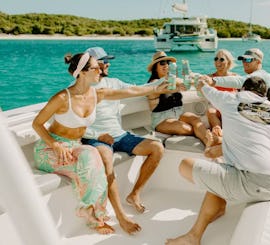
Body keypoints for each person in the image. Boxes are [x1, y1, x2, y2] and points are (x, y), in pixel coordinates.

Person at [33, 52, 168, 234]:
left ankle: (90, 210)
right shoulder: (63, 98)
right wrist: (55, 144)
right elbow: (37, 124)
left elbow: (131, 91)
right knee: (93, 164)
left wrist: (157, 88)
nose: (101, 69)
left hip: (74, 146)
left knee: (92, 157)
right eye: (96, 67)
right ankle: (96, 218)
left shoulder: (97, 94)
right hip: (50, 149)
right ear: (82, 72)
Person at [166, 76, 270, 245]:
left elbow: (203, 87)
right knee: (220, 168)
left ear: (242, 90)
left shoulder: (230, 99)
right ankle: (219, 207)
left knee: (185, 165)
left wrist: (201, 80)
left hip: (254, 183)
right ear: (263, 95)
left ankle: (193, 237)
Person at [81, 47, 166, 233]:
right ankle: (121, 216)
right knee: (106, 160)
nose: (108, 63)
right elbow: (76, 122)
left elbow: (135, 89)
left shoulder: (113, 82)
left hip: (120, 135)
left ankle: (134, 194)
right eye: (103, 61)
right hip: (96, 139)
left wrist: (164, 84)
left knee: (156, 148)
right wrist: (97, 136)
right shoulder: (81, 89)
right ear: (92, 66)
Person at [147, 51, 215, 146]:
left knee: (196, 120)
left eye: (168, 63)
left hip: (179, 113)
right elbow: (167, 84)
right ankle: (207, 139)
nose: (166, 65)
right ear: (155, 67)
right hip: (161, 120)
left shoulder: (173, 79)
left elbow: (181, 81)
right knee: (187, 129)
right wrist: (185, 83)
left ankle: (209, 143)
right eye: (162, 63)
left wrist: (197, 78)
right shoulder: (154, 83)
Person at [205, 49, 238, 158]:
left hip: (230, 111)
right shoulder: (209, 78)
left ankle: (218, 137)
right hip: (217, 112)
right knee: (210, 111)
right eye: (216, 59)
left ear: (228, 62)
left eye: (221, 59)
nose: (218, 62)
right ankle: (218, 130)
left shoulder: (235, 78)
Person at [202, 48, 270, 89]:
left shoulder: (259, 76)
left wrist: (212, 81)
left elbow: (241, 81)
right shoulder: (269, 76)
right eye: (243, 59)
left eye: (248, 60)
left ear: (258, 62)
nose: (244, 62)